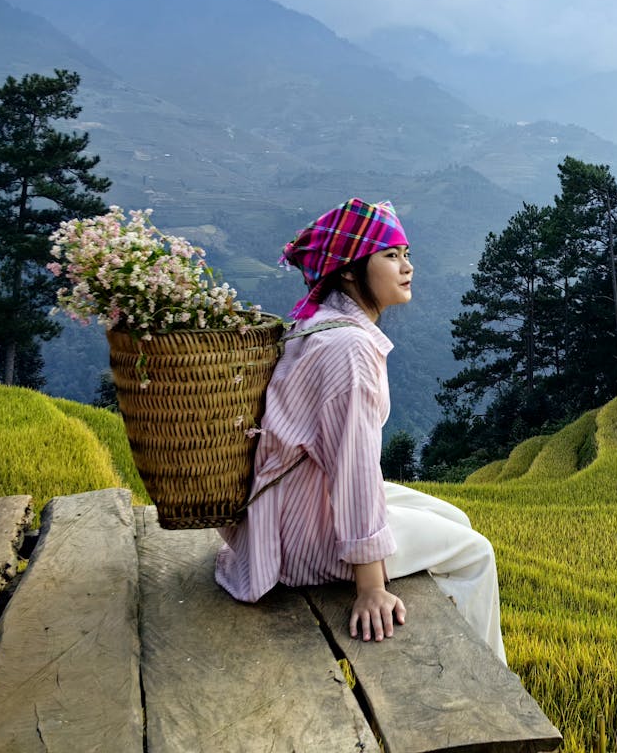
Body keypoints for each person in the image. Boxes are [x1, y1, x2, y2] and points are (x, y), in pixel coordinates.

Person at [215, 197, 505, 662]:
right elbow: (353, 472)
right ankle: (488, 681)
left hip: (291, 505)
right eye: (390, 255)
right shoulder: (348, 348)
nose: (406, 266)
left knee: (457, 522)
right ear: (349, 270)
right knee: (475, 554)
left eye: (406, 253)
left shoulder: (320, 323)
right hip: (300, 537)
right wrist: (370, 587)